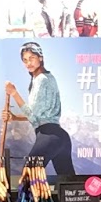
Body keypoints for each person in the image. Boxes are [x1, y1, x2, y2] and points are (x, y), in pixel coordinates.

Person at [20, 43, 76, 175]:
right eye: (25, 60)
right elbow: (38, 114)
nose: (28, 63)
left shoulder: (42, 80)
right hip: (59, 137)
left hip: (48, 136)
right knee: (68, 182)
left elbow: (33, 115)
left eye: (32, 58)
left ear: (40, 58)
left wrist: (14, 93)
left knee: (28, 176)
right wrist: (14, 117)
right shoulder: (44, 78)